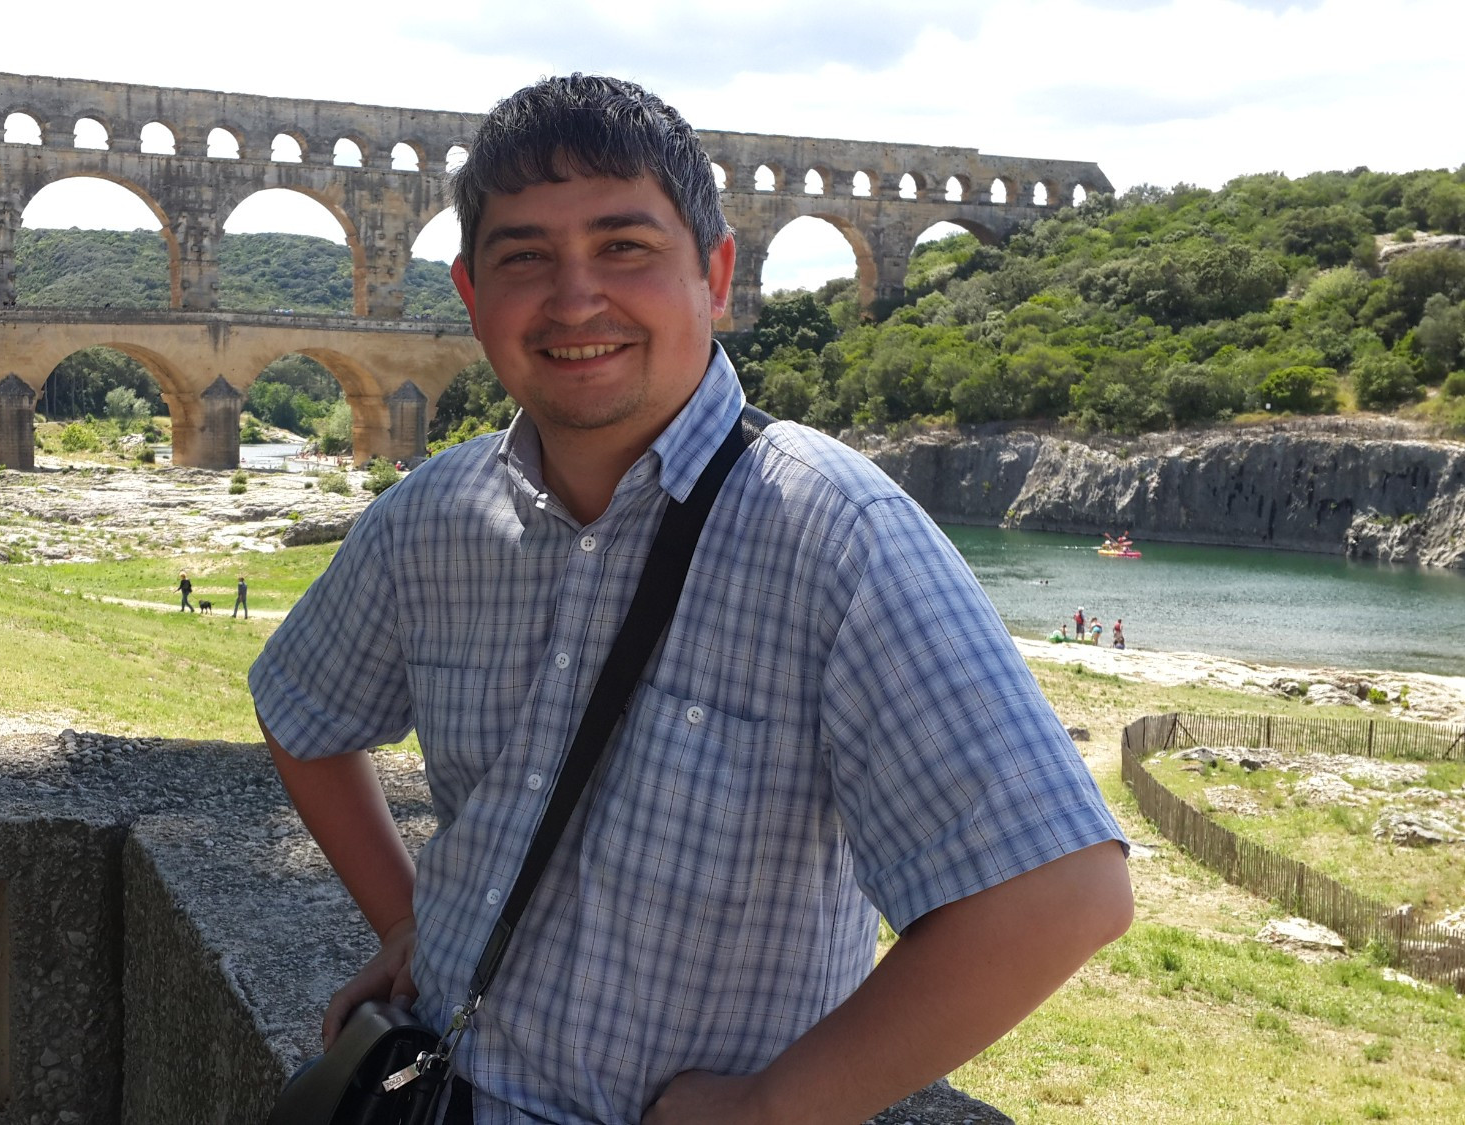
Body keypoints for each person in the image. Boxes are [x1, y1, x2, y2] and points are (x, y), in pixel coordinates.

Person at [249, 75, 1130, 1125]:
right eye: (524, 257)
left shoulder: (834, 529)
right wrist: (408, 928)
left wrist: (772, 1109)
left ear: (715, 273)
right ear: (471, 296)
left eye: (624, 247)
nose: (575, 299)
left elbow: (1060, 893)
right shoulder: (433, 516)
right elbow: (299, 708)